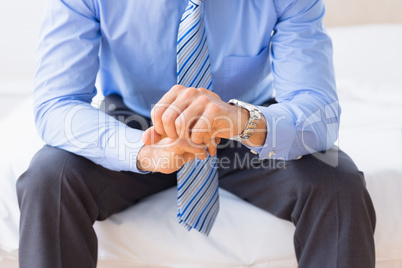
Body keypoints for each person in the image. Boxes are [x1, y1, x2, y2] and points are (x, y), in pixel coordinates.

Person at [16, 0, 376, 267]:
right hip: (135, 128)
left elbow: (318, 110)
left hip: (243, 128)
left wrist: (239, 119)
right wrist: (139, 149)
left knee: (336, 182)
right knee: (50, 177)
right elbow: (57, 103)